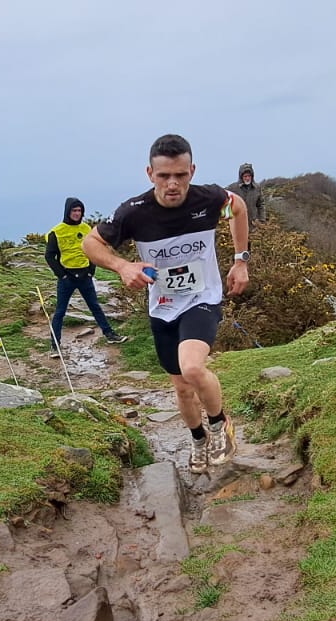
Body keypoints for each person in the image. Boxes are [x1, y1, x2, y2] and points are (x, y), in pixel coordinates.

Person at [83, 134, 251, 474]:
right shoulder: (134, 212)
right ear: (150, 173)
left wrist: (240, 260)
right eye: (164, 176)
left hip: (202, 297)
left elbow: (239, 207)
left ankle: (220, 426)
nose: (173, 184)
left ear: (192, 170)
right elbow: (91, 242)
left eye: (180, 175)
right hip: (162, 305)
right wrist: (122, 266)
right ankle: (198, 439)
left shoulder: (209, 198)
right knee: (181, 387)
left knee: (191, 368)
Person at [45, 197, 129, 357]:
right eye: (74, 211)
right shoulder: (56, 232)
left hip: (85, 275)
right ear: (67, 212)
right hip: (67, 277)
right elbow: (49, 256)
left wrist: (91, 270)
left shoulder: (87, 229)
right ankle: (55, 345)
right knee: (60, 312)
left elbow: (95, 249)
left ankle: (110, 335)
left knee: (95, 307)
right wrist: (61, 275)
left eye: (79, 211)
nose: (77, 214)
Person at [227, 163, 265, 231]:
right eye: (245, 176)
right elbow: (226, 202)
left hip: (253, 226)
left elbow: (261, 205)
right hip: (237, 225)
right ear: (241, 177)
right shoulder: (233, 188)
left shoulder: (257, 188)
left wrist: (262, 220)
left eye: (249, 176)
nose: (247, 178)